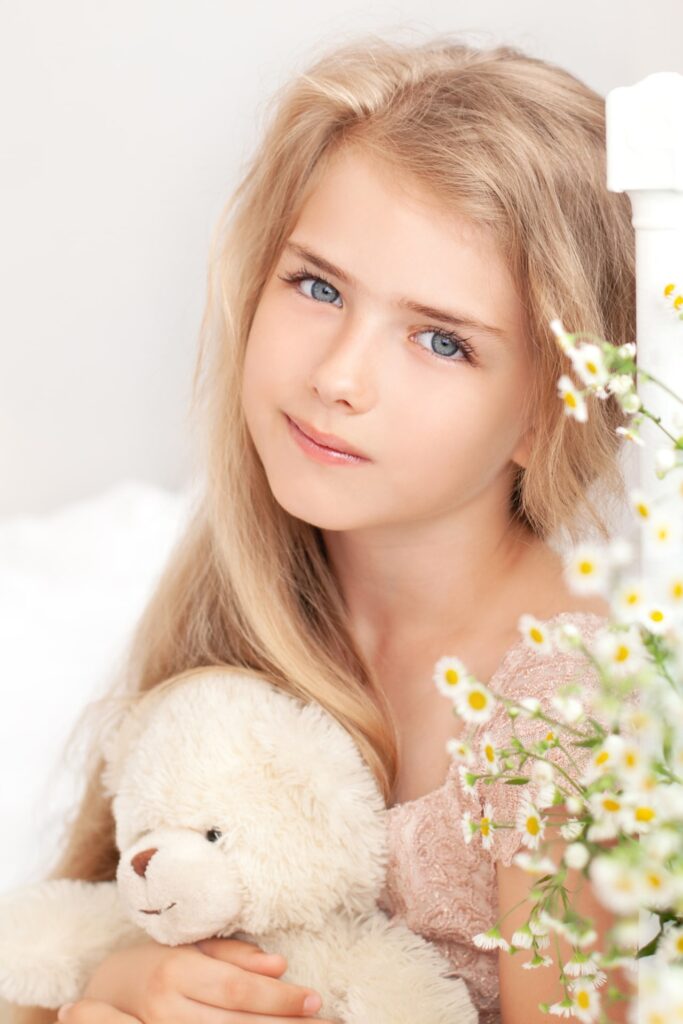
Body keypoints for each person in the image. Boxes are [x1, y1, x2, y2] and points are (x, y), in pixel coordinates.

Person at [12, 31, 636, 1024]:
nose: (338, 376)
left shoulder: (580, 718)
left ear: (544, 411)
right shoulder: (248, 589)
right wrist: (116, 986)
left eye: (440, 340)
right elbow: (87, 917)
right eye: (317, 286)